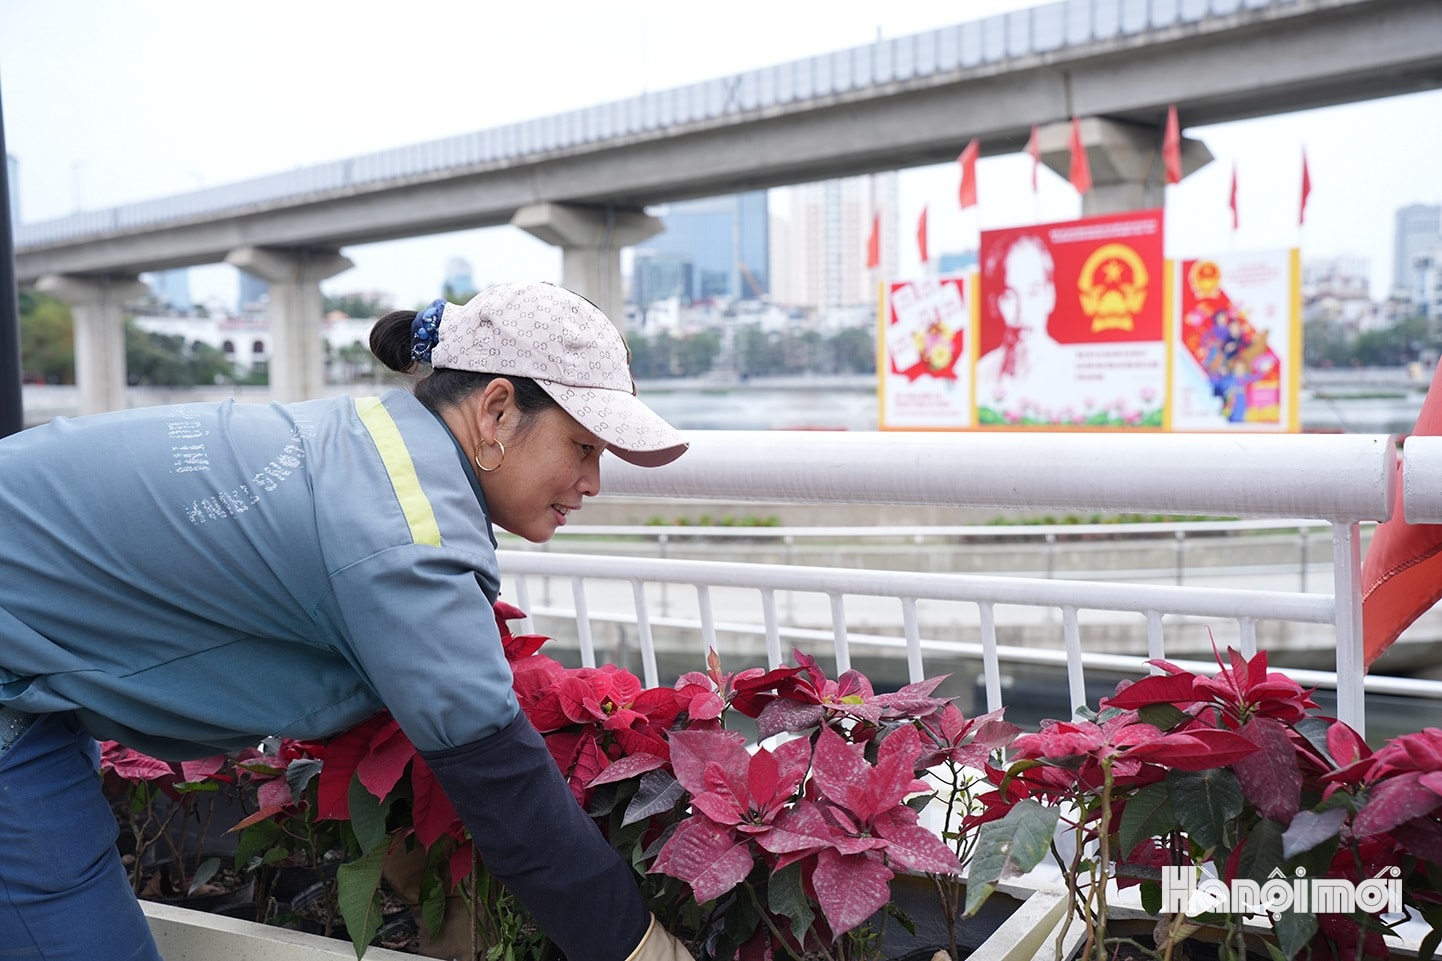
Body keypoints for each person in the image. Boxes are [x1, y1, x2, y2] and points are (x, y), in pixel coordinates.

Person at [0, 281, 695, 961]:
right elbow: (508, 789)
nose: (593, 481)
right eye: (582, 447)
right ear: (497, 410)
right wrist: (648, 948)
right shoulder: (406, 540)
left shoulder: (372, 446)